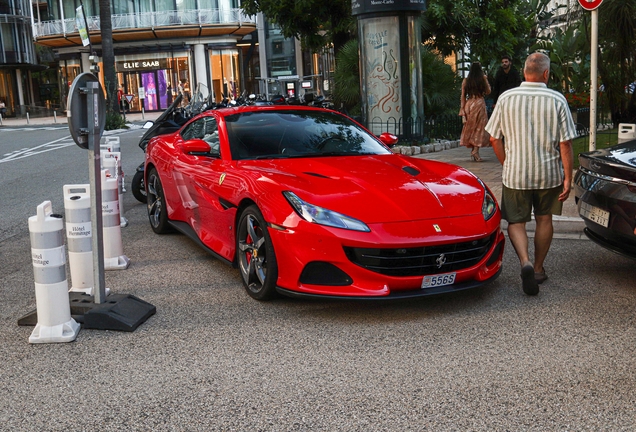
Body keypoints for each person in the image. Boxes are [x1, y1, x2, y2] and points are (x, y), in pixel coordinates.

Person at [485, 52, 576, 296]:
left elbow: (494, 137)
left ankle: (524, 260)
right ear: (546, 73)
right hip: (548, 174)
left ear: (525, 71)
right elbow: (565, 143)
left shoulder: (506, 97)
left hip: (516, 174)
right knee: (544, 219)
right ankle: (537, 268)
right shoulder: (557, 99)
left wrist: (507, 163)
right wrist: (568, 177)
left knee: (516, 222)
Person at [459, 61, 491, 162]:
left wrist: (462, 110)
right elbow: (488, 91)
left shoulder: (466, 80)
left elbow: (462, 96)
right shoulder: (482, 79)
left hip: (469, 104)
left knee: (471, 128)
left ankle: (474, 151)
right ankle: (475, 151)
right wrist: (486, 80)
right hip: (479, 103)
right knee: (480, 128)